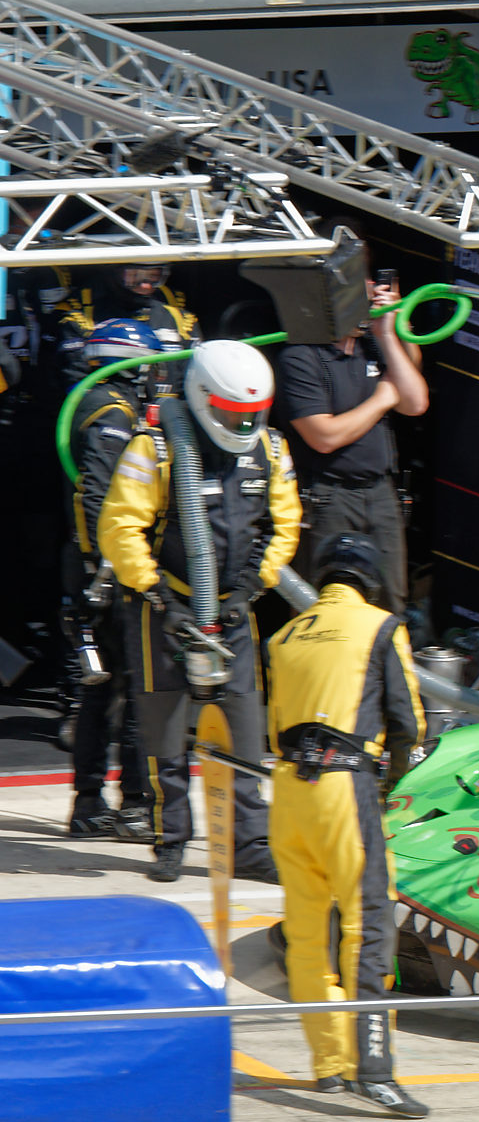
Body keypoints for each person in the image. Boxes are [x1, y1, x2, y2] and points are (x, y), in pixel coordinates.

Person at [98, 339, 299, 883]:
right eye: (233, 414)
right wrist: (159, 596)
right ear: (203, 397)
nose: (244, 425)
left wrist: (249, 589)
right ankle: (171, 841)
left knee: (245, 730)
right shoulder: (155, 449)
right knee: (164, 733)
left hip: (233, 610)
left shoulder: (271, 449)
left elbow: (284, 526)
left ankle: (249, 846)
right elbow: (119, 529)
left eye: (253, 414)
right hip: (164, 609)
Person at [266, 533, 428, 1118]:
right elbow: (409, 721)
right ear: (370, 578)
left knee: (308, 935)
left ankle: (329, 1065)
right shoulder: (380, 627)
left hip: (288, 790)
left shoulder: (284, 636)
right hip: (344, 787)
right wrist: (393, 782)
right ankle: (374, 1071)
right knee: (369, 926)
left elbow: (275, 724)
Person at [61, 319, 166, 839]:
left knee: (103, 691)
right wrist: (105, 570)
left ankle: (92, 802)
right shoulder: (113, 413)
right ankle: (129, 804)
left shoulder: (100, 404)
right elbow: (99, 497)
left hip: (93, 564)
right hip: (106, 570)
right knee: (129, 689)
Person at [277, 267, 427, 619]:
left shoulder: (372, 344)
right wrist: (381, 399)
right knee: (324, 606)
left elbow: (415, 402)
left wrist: (387, 333)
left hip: (380, 494)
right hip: (329, 497)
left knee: (389, 602)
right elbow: (324, 437)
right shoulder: (300, 356)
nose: (368, 305)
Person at [52, 264, 200, 387]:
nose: (146, 285)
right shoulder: (80, 319)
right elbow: (75, 379)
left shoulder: (182, 320)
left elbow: (197, 378)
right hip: (111, 406)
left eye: (154, 277)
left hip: (171, 410)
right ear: (115, 273)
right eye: (135, 276)